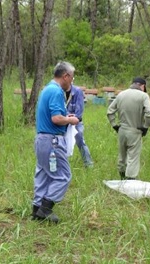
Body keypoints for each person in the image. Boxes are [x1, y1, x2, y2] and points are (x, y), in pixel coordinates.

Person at [32, 61, 79, 223]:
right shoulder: (56, 91)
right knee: (63, 176)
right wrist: (71, 120)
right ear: (65, 76)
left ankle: (36, 209)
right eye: (71, 78)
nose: (71, 82)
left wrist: (66, 118)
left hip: (42, 140)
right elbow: (56, 118)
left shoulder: (46, 89)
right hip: (52, 141)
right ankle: (45, 209)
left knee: (43, 174)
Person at [107, 77, 150, 180]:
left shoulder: (121, 94)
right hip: (135, 130)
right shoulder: (143, 96)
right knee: (133, 157)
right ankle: (131, 181)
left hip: (122, 130)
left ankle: (122, 178)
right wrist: (146, 127)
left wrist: (114, 125)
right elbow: (149, 114)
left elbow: (110, 111)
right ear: (143, 86)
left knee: (122, 156)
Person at [66, 84, 94, 167]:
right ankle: (63, 165)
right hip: (63, 120)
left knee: (80, 141)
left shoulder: (77, 91)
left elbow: (79, 110)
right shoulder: (59, 91)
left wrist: (72, 118)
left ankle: (88, 164)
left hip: (76, 122)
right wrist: (66, 116)